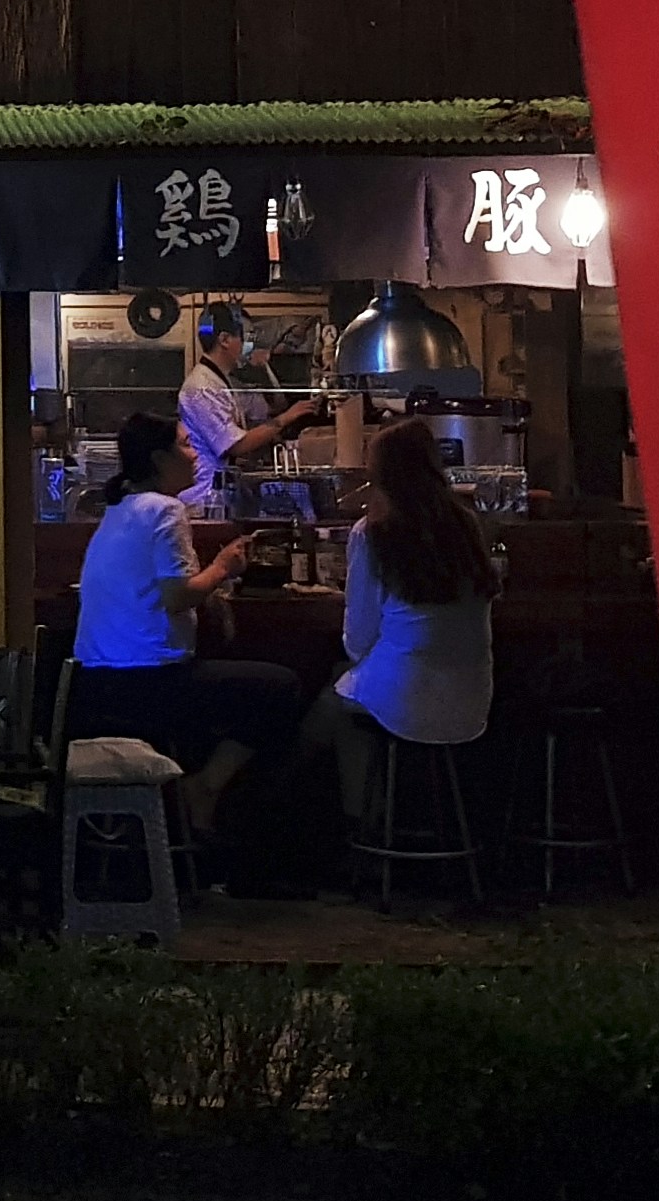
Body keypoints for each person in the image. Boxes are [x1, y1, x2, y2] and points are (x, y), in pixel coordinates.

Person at [68, 409, 310, 840]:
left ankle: (187, 815)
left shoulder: (120, 509)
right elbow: (177, 596)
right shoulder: (166, 510)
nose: (196, 453)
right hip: (148, 685)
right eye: (185, 444)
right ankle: (206, 792)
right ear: (160, 459)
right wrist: (224, 568)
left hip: (96, 685)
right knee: (282, 689)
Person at [331, 415, 502, 839]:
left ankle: (363, 832)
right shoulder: (466, 525)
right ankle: (427, 830)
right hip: (473, 699)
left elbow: (357, 641)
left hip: (406, 700)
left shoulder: (371, 533)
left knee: (330, 711)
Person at [179, 303, 328, 509]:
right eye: (246, 337)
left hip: (219, 494)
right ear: (224, 340)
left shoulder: (220, 380)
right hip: (205, 497)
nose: (249, 345)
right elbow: (236, 445)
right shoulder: (203, 387)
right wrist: (287, 417)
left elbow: (268, 409)